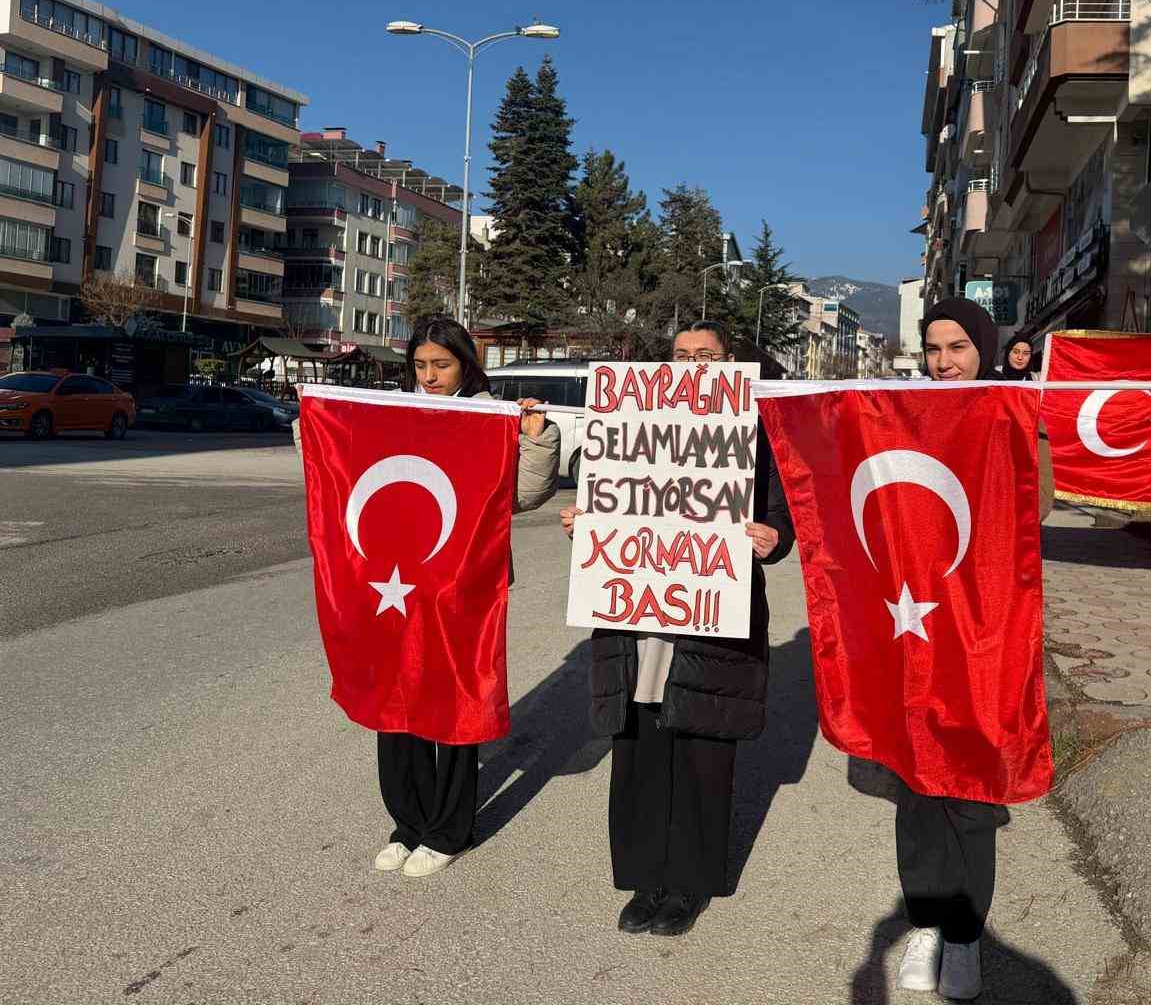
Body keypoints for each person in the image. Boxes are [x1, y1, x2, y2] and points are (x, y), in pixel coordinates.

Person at [297, 315, 562, 878]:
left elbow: (521, 496)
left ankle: (449, 831)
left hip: (462, 589)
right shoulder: (393, 413)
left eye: (441, 364)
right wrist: (314, 419)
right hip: (390, 585)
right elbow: (336, 465)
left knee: (455, 707)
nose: (430, 375)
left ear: (466, 364)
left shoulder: (489, 417)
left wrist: (536, 439)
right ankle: (408, 823)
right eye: (420, 365)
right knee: (394, 704)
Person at [558, 320, 794, 937]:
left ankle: (688, 884)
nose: (693, 367)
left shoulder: (756, 432)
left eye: (706, 357)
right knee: (637, 759)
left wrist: (772, 538)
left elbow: (782, 517)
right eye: (682, 355)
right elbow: (611, 500)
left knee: (701, 762)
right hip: (635, 630)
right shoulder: (628, 424)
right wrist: (585, 523)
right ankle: (644, 881)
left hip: (711, 624)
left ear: (729, 364)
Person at [893, 297, 1010, 1001]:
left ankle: (965, 936)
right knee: (916, 783)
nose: (944, 362)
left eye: (958, 347)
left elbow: (1037, 508)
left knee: (970, 784)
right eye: (934, 349)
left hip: (986, 630)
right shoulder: (900, 414)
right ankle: (925, 924)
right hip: (910, 626)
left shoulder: (1009, 413)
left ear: (983, 349)